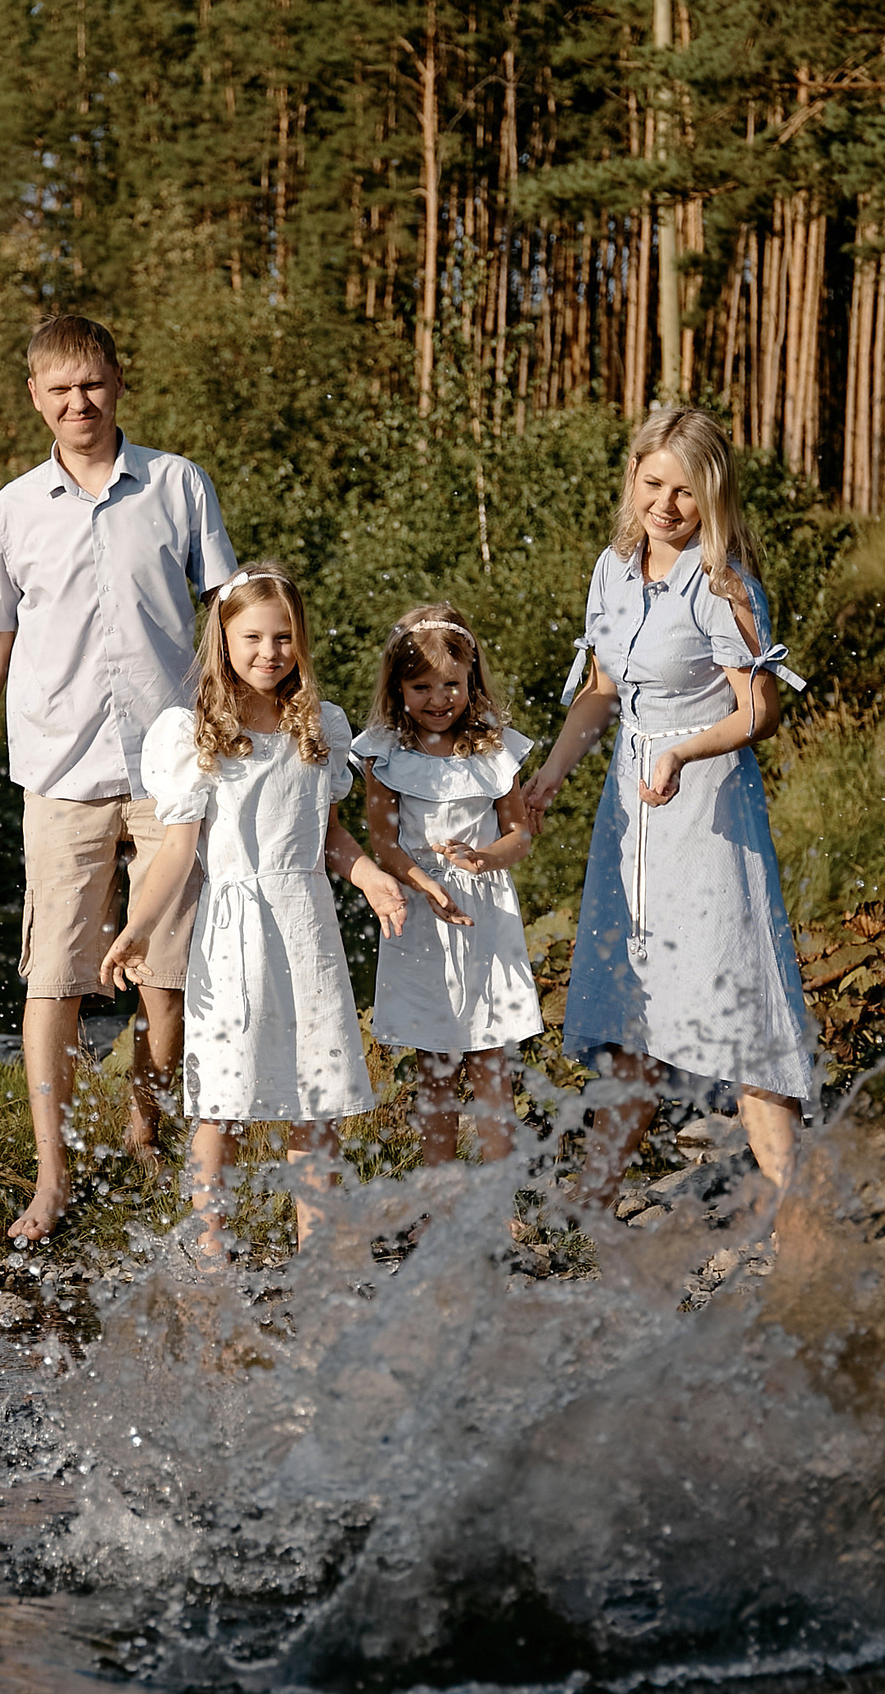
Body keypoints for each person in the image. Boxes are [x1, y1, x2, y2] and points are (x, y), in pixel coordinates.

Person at [0, 315, 240, 1243]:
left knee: (169, 981)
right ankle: (53, 1175)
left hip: (171, 768)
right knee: (55, 978)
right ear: (35, 397)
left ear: (118, 383)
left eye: (93, 385)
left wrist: (259, 736)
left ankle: (145, 1120)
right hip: (58, 772)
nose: (79, 403)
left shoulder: (179, 484)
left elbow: (231, 613)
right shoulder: (13, 510)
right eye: (60, 389)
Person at [519, 406, 819, 1198]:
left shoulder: (726, 584)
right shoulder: (610, 570)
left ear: (712, 495)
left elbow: (759, 709)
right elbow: (602, 691)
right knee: (631, 1011)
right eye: (653, 483)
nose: (666, 505)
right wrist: (550, 774)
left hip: (710, 812)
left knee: (741, 1006)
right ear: (633, 479)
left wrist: (686, 748)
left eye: (686, 491)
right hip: (630, 815)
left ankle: (802, 1220)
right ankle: (587, 1210)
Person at [101, 566, 409, 1265]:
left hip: (305, 923)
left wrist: (368, 876)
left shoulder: (319, 724)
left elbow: (328, 834)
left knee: (314, 1092)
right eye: (253, 637)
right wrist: (140, 927)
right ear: (224, 640)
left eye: (283, 637)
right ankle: (211, 1245)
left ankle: (318, 1245)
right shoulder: (195, 731)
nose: (269, 651)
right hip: (235, 926)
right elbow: (179, 851)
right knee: (225, 1095)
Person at [348, 604, 542, 1165]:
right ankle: (441, 1191)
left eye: (451, 684)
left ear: (471, 680)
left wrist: (482, 858)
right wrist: (421, 884)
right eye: (422, 686)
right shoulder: (384, 751)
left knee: (490, 1062)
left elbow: (519, 836)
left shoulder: (493, 748)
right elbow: (382, 842)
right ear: (398, 687)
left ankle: (497, 1198)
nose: (439, 699)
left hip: (484, 914)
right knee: (435, 1065)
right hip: (420, 911)